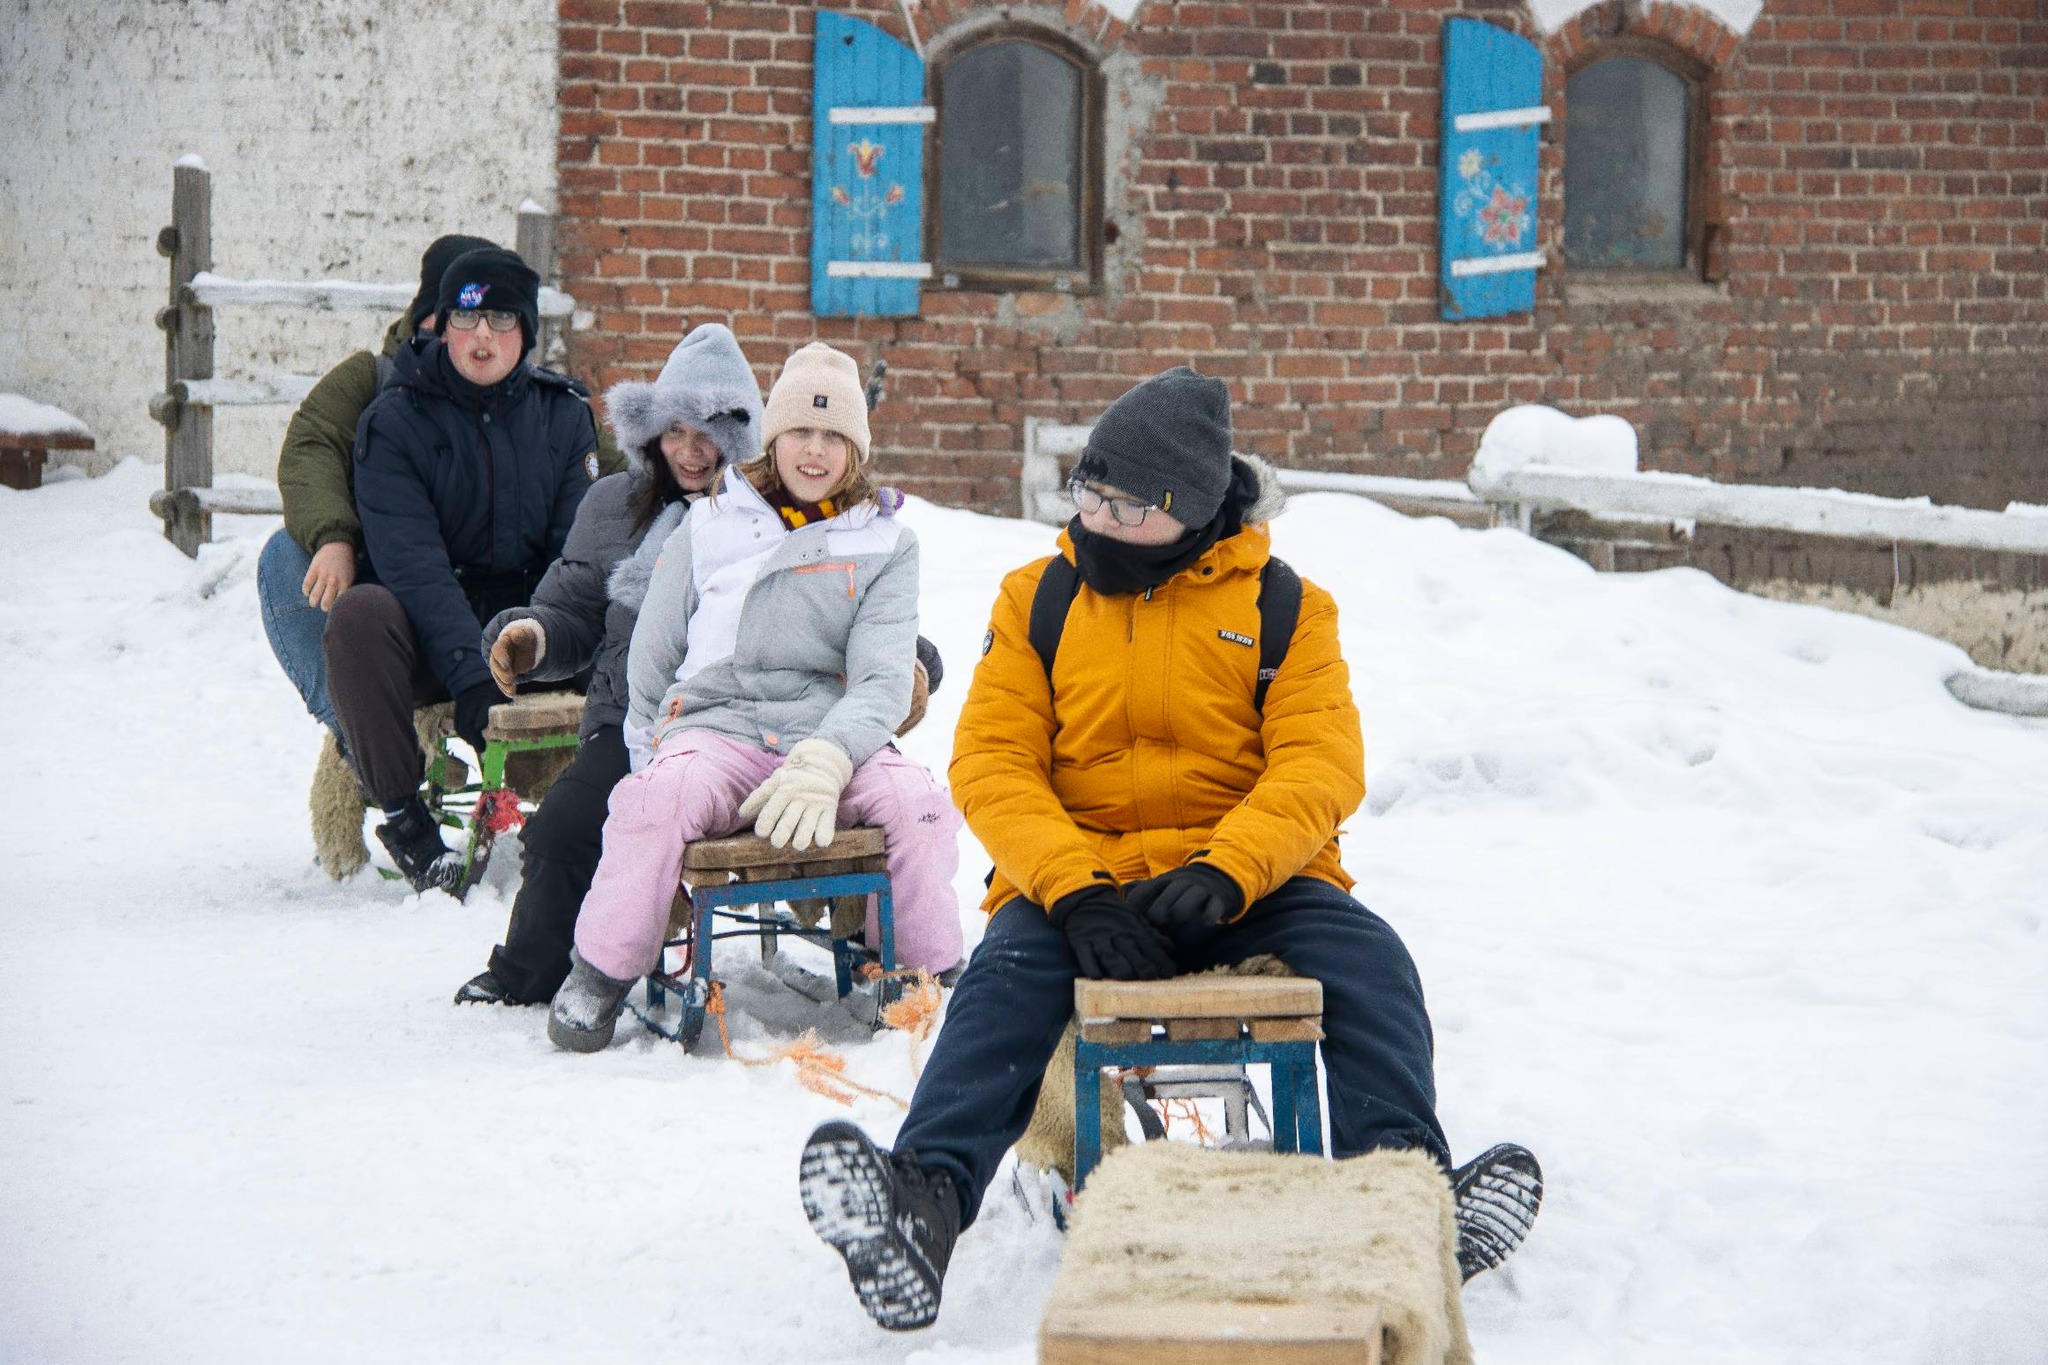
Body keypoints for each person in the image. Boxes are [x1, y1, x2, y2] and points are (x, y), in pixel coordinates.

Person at [795, 367, 1542, 1331]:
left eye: (1125, 505)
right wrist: (1073, 891)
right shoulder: (1037, 600)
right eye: (1089, 493)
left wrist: (1228, 871)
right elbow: (992, 760)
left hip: (1251, 878)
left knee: (1373, 966)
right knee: (1000, 984)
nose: (1096, 519)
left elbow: (1320, 762)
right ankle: (923, 1201)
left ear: (1189, 510)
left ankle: (1409, 1203)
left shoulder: (1287, 607)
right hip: (1083, 879)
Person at [546, 342, 966, 1052]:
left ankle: (921, 974)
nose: (815, 450)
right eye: (801, 430)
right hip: (720, 726)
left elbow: (882, 679)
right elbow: (655, 650)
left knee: (918, 804)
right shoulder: (712, 521)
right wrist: (650, 750)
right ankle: (601, 971)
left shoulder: (884, 541)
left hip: (830, 735)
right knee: (653, 801)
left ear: (856, 448)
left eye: (833, 435)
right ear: (774, 438)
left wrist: (829, 757)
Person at [452, 322, 762, 1004]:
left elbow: (841, 602)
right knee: (563, 824)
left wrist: (909, 663)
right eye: (675, 430)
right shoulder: (614, 506)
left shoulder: (773, 515)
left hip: (740, 729)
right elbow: (573, 610)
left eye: (708, 432)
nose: (690, 450)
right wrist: (532, 637)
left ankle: (885, 960)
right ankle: (530, 972)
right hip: (631, 721)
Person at [324, 246, 603, 895]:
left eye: (502, 318)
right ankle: (409, 823)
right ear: (442, 324)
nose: (483, 336)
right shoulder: (393, 423)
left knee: (626, 609)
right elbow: (413, 566)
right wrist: (475, 675)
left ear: (525, 332)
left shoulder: (563, 416)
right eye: (466, 317)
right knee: (359, 618)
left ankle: (617, 807)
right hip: (432, 633)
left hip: (538, 630)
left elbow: (575, 554)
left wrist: (526, 645)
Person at [257, 234, 496, 748]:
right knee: (284, 559)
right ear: (426, 314)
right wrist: (333, 537)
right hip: (379, 588)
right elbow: (311, 446)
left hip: (480, 599)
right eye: (455, 315)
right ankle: (358, 741)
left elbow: (599, 463)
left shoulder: (520, 391)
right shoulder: (370, 378)